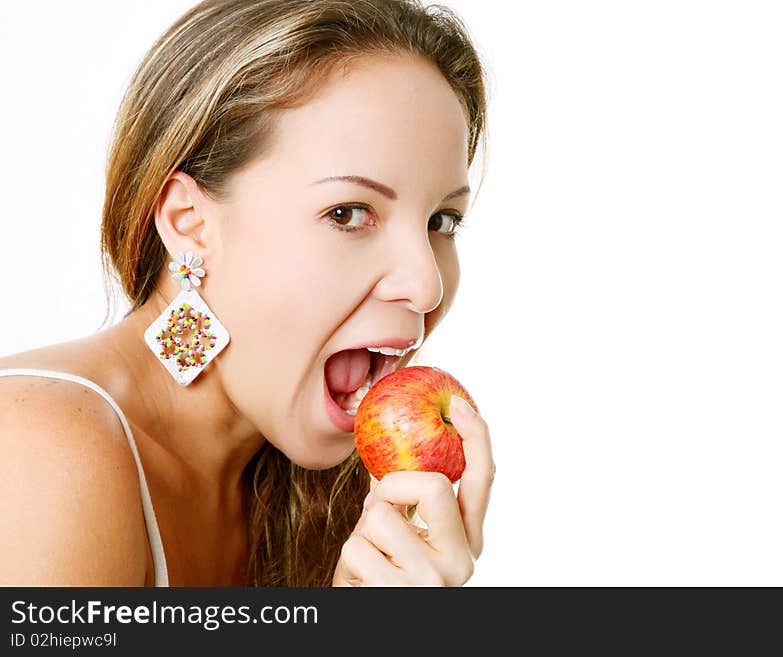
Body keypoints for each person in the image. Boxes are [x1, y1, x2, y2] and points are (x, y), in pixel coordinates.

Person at [0, 0, 494, 587]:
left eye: (442, 221)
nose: (425, 285)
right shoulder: (38, 449)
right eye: (348, 212)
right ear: (189, 222)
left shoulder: (320, 498)